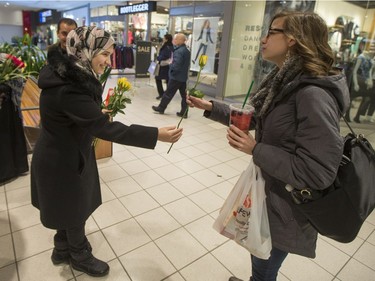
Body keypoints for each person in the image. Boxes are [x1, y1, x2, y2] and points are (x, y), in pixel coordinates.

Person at [187, 11, 350, 281]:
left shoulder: (312, 94)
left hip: (286, 210)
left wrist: (255, 149)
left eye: (272, 31)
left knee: (265, 270)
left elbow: (318, 171)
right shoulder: (287, 82)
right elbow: (256, 116)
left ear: (294, 40)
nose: (263, 39)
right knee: (260, 263)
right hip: (270, 199)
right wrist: (211, 107)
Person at [30, 26, 183, 278]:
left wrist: (90, 113)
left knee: (63, 204)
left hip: (59, 153)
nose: (108, 61)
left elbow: (74, 114)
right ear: (86, 50)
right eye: (104, 54)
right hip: (63, 160)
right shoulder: (71, 86)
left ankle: (61, 248)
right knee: (74, 207)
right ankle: (79, 255)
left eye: (110, 54)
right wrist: (156, 135)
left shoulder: (65, 73)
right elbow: (105, 129)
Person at [152, 33, 191, 118]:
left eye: (176, 39)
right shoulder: (186, 50)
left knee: (168, 93)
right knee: (184, 96)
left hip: (176, 77)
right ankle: (184, 112)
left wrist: (171, 68)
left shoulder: (179, 51)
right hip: (183, 77)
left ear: (181, 40)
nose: (174, 40)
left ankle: (161, 108)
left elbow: (176, 64)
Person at [350, 51, 374, 123]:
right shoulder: (361, 57)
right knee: (351, 98)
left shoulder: (369, 59)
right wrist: (356, 83)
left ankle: (357, 116)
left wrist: (370, 80)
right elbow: (355, 71)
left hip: (365, 82)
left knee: (367, 98)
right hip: (359, 80)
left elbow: (369, 71)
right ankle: (349, 116)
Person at [155, 34, 173, 100]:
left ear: (166, 39)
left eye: (164, 38)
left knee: (158, 78)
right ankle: (166, 94)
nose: (163, 38)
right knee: (168, 80)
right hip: (169, 65)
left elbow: (165, 55)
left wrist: (158, 58)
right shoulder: (171, 46)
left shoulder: (166, 47)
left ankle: (162, 94)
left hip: (164, 65)